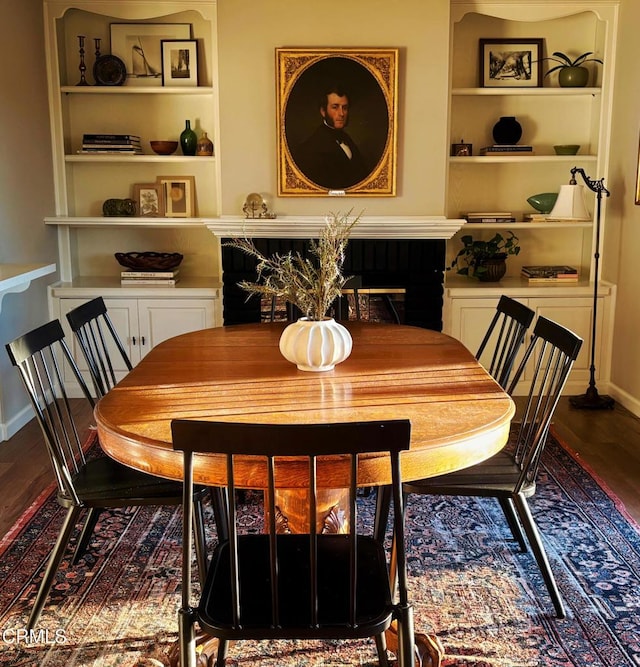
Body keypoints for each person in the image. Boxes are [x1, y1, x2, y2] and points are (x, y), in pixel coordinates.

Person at [292, 86, 370, 190]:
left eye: (345, 108)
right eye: (335, 107)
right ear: (323, 111)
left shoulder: (347, 139)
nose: (341, 113)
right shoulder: (311, 147)